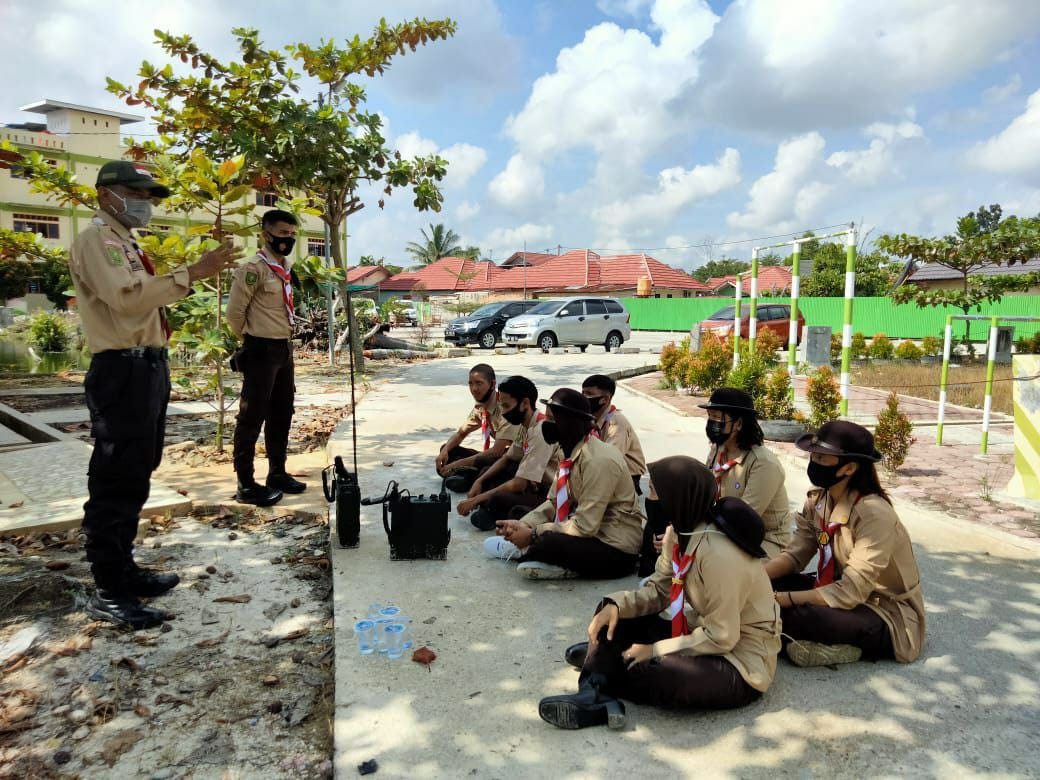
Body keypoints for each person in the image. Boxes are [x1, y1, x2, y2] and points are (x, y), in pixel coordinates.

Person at [70, 160, 242, 629]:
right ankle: (108, 588)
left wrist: (194, 274)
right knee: (115, 477)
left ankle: (125, 569)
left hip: (147, 368)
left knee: (138, 470)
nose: (146, 203)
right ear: (107, 194)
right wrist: (195, 271)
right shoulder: (96, 240)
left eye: (150, 196)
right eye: (137, 193)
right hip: (120, 371)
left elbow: (147, 296)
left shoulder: (124, 241)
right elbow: (128, 298)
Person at [537, 458, 781, 729]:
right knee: (614, 620)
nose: (649, 500)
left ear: (677, 499)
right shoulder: (678, 534)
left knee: (665, 676)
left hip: (739, 660)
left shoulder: (718, 554)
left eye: (654, 492)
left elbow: (723, 636)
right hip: (698, 633)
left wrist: (655, 650)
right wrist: (616, 605)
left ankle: (604, 663)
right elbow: (659, 590)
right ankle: (594, 690)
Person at [765, 421, 925, 668]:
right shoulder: (819, 498)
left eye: (822, 458)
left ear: (849, 467)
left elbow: (852, 591)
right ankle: (792, 639)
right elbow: (796, 555)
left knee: (801, 616)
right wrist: (756, 577)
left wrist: (780, 599)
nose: (813, 463)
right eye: (813, 455)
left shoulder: (874, 515)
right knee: (766, 585)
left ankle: (839, 647)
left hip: (880, 607)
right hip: (834, 586)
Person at [486, 389, 643, 580]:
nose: (546, 424)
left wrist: (534, 533)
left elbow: (585, 526)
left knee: (548, 542)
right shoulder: (567, 450)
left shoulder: (599, 460)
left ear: (571, 423)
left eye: (552, 419)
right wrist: (523, 524)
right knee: (519, 513)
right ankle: (531, 550)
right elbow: (554, 502)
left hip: (613, 546)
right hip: (588, 532)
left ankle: (539, 555)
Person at [227, 209, 306, 506]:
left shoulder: (285, 268)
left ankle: (277, 473)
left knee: (282, 412)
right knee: (252, 416)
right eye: (282, 233)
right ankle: (245, 482)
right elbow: (235, 313)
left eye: (291, 234)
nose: (288, 239)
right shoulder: (253, 268)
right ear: (265, 234)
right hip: (261, 348)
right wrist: (250, 340)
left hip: (283, 349)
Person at [700, 387, 792, 558]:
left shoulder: (763, 463)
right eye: (710, 417)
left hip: (766, 542)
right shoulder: (718, 450)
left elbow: (743, 521)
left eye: (718, 418)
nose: (712, 423)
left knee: (713, 560)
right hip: (724, 530)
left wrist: (703, 536)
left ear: (739, 424)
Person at [457, 376, 557, 531]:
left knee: (498, 497)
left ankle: (504, 513)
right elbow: (508, 457)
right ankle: (491, 507)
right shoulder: (525, 425)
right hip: (529, 483)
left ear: (524, 404)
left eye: (506, 406)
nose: (502, 412)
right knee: (486, 473)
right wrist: (479, 481)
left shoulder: (540, 430)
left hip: (545, 492)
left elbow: (519, 483)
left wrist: (478, 498)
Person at [436, 364, 520, 493]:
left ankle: (469, 478)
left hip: (512, 460)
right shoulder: (481, 406)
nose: (474, 388)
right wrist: (445, 450)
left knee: (492, 468)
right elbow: (461, 433)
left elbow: (496, 452)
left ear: (492, 384)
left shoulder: (505, 407)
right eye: (470, 383)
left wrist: (456, 465)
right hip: (495, 457)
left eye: (479, 383)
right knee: (448, 450)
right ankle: (467, 476)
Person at [580, 375, 646, 495]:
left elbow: (610, 459)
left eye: (588, 393)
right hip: (603, 472)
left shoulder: (617, 423)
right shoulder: (592, 418)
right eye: (582, 393)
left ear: (605, 399)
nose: (583, 397)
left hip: (625, 477)